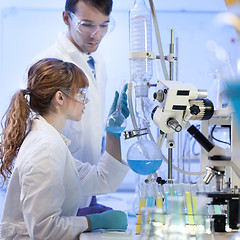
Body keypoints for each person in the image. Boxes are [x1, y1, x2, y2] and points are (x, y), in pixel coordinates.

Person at [0, 58, 129, 239]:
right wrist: (93, 221)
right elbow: (44, 230)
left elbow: (102, 180)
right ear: (60, 97)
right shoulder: (45, 148)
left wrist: (112, 133)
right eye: (81, 93)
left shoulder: (52, 141)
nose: (86, 100)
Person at [27, 0, 121, 215]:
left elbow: (90, 125)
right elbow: (34, 134)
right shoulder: (48, 64)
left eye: (104, 25)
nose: (96, 34)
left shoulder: (97, 59)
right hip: (54, 186)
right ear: (67, 18)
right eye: (87, 24)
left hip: (85, 183)